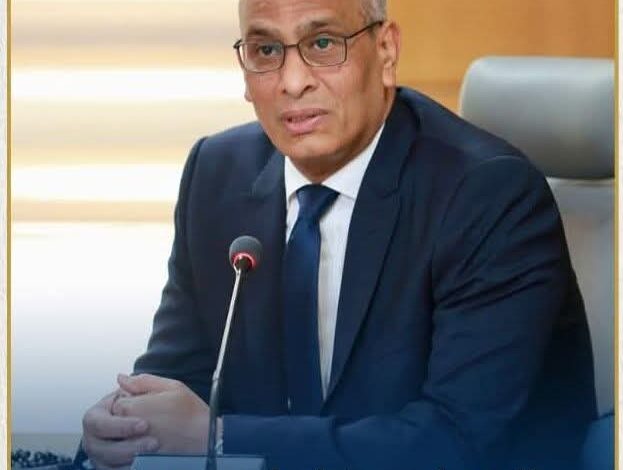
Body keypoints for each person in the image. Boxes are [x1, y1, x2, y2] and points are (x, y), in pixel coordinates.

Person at [81, 0, 597, 469]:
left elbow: (454, 442)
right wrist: (125, 427)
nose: (292, 82)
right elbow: (182, 379)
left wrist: (219, 437)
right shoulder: (217, 175)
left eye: (323, 43)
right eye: (266, 51)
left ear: (386, 51)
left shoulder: (488, 196)